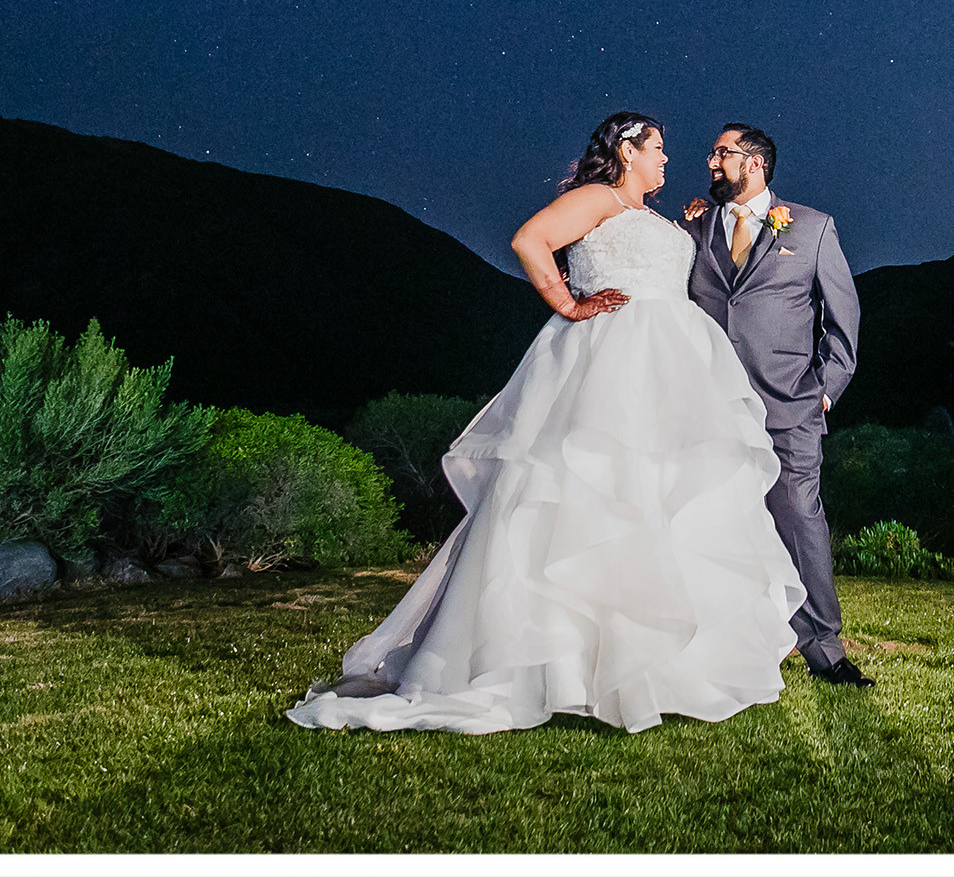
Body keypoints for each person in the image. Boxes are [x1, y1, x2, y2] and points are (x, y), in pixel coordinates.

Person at [284, 112, 806, 735]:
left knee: (655, 501)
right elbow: (530, 240)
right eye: (658, 149)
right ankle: (556, 667)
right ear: (626, 151)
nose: (669, 159)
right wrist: (568, 302)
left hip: (671, 368)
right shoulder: (598, 196)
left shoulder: (660, 216)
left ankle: (656, 665)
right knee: (581, 500)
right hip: (610, 358)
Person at [680, 125, 870, 687]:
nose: (711, 161)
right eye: (712, 153)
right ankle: (717, 640)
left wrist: (825, 392)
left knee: (798, 516)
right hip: (706, 405)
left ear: (756, 162)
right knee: (706, 517)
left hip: (788, 405)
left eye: (722, 153)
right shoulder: (692, 226)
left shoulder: (812, 228)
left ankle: (824, 648)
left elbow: (843, 322)